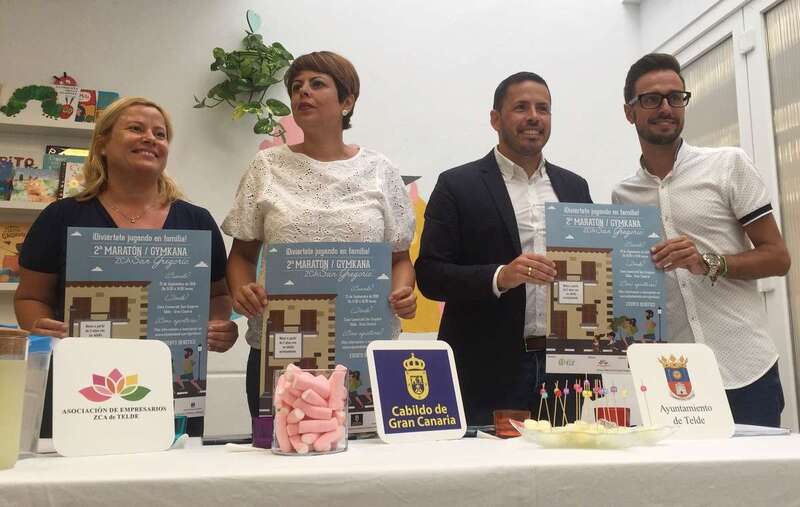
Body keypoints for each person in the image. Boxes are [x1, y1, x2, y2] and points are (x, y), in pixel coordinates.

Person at [15, 96, 238, 437]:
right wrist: (39, 327)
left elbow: (219, 294)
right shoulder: (61, 217)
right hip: (81, 388)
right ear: (102, 143)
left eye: (160, 134)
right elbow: (29, 298)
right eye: (136, 128)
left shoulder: (197, 221)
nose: (151, 138)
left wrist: (219, 324)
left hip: (172, 390)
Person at [222, 51, 417, 419]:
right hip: (282, 347)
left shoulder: (379, 170)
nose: (302, 94)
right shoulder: (266, 166)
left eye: (316, 84)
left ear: (347, 101)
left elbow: (399, 258)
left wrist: (402, 292)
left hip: (362, 346)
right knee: (281, 460)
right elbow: (243, 255)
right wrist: (242, 290)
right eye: (296, 87)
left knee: (367, 467)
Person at [613, 53, 791, 427]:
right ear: (629, 112)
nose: (666, 107)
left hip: (746, 368)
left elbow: (778, 257)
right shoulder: (623, 196)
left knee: (757, 484)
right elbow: (633, 291)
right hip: (674, 376)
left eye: (675, 97)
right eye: (651, 99)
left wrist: (708, 261)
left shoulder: (729, 164)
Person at [415, 72, 592, 426]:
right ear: (495, 119)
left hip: (564, 369)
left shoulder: (574, 186)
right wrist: (500, 276)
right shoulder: (457, 185)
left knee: (566, 476)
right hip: (487, 368)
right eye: (521, 107)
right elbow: (430, 274)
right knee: (485, 476)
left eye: (543, 108)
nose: (533, 116)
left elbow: (594, 271)